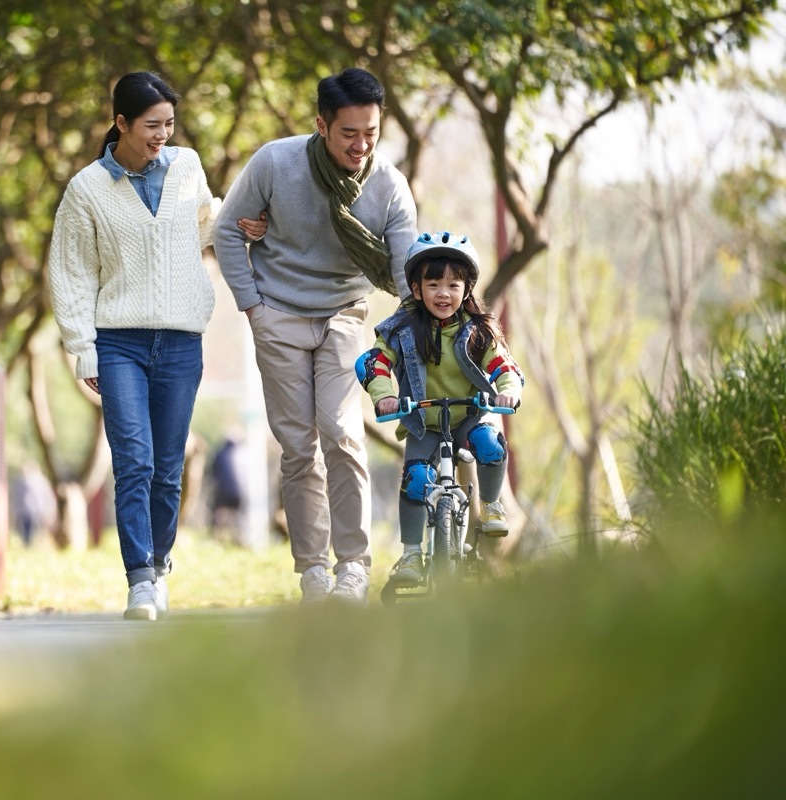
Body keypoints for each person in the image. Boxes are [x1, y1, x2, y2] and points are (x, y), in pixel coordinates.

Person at [48, 72, 266, 620]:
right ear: (120, 123)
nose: (162, 135)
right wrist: (83, 346)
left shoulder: (186, 166)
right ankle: (139, 578)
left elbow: (202, 223)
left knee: (169, 467)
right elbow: (70, 272)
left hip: (180, 341)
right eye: (151, 125)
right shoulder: (86, 189)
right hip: (117, 341)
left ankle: (161, 563)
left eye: (169, 123)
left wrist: (240, 225)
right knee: (135, 461)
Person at [213, 67, 418, 606]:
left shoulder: (388, 185)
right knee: (299, 447)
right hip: (276, 314)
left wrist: (424, 319)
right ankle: (313, 571)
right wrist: (252, 307)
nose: (361, 144)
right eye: (349, 132)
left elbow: (405, 270)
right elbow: (227, 231)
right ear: (321, 126)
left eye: (371, 132)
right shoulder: (276, 162)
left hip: (344, 315)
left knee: (343, 433)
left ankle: (353, 565)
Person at [355, 231, 524, 585]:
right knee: (416, 480)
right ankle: (412, 555)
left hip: (469, 415)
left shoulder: (479, 330)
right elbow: (373, 363)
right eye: (433, 284)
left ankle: (491, 505)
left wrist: (506, 391)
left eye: (453, 285)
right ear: (416, 290)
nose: (443, 294)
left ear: (467, 289)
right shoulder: (401, 329)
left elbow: (505, 367)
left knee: (491, 445)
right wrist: (383, 395)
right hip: (425, 422)